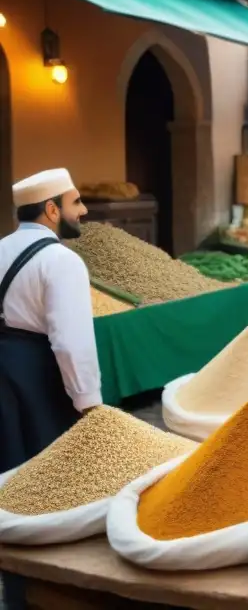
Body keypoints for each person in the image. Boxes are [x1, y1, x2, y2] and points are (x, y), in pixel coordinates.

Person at [1, 169, 101, 610]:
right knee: (50, 482)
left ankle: (15, 588)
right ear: (52, 209)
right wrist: (89, 404)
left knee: (8, 480)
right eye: (76, 202)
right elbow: (71, 340)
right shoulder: (61, 261)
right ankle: (52, 591)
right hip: (38, 377)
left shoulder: (1, 248)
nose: (83, 211)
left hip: (4, 370)